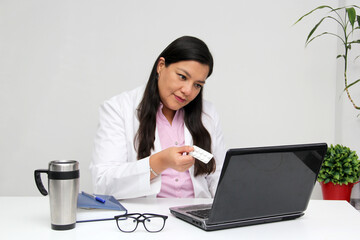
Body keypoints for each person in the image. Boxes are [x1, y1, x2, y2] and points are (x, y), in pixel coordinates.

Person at [90, 36, 226, 199]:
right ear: (161, 66)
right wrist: (161, 162)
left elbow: (218, 175)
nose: (188, 91)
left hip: (197, 215)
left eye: (197, 85)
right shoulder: (118, 109)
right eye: (182, 77)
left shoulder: (208, 113)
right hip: (148, 219)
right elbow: (103, 184)